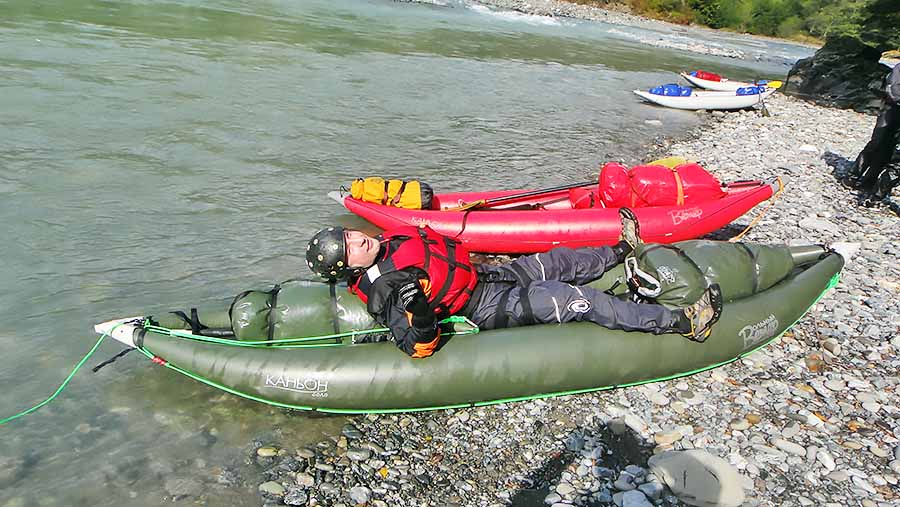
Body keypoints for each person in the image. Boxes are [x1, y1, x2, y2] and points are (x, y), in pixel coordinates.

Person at [306, 209, 722, 358]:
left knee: (559, 259)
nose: (358, 238)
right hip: (484, 307)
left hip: (489, 276)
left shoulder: (386, 241)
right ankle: (680, 323)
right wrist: (420, 313)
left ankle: (620, 251)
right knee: (576, 299)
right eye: (350, 247)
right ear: (350, 269)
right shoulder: (385, 291)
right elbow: (417, 346)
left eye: (349, 234)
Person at [842, 64, 900, 207]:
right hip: (891, 109)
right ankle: (853, 175)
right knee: (877, 143)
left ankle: (871, 183)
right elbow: (892, 88)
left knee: (891, 152)